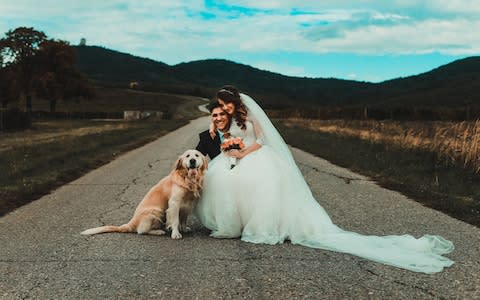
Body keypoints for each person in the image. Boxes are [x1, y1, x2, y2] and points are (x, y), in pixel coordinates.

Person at [195, 85, 454, 274]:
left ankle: (261, 225)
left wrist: (242, 151)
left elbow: (261, 141)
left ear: (233, 101)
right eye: (220, 105)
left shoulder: (251, 117)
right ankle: (234, 222)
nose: (223, 108)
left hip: (254, 154)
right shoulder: (229, 118)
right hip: (237, 155)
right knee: (225, 182)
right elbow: (222, 130)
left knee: (261, 189)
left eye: (224, 103)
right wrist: (216, 130)